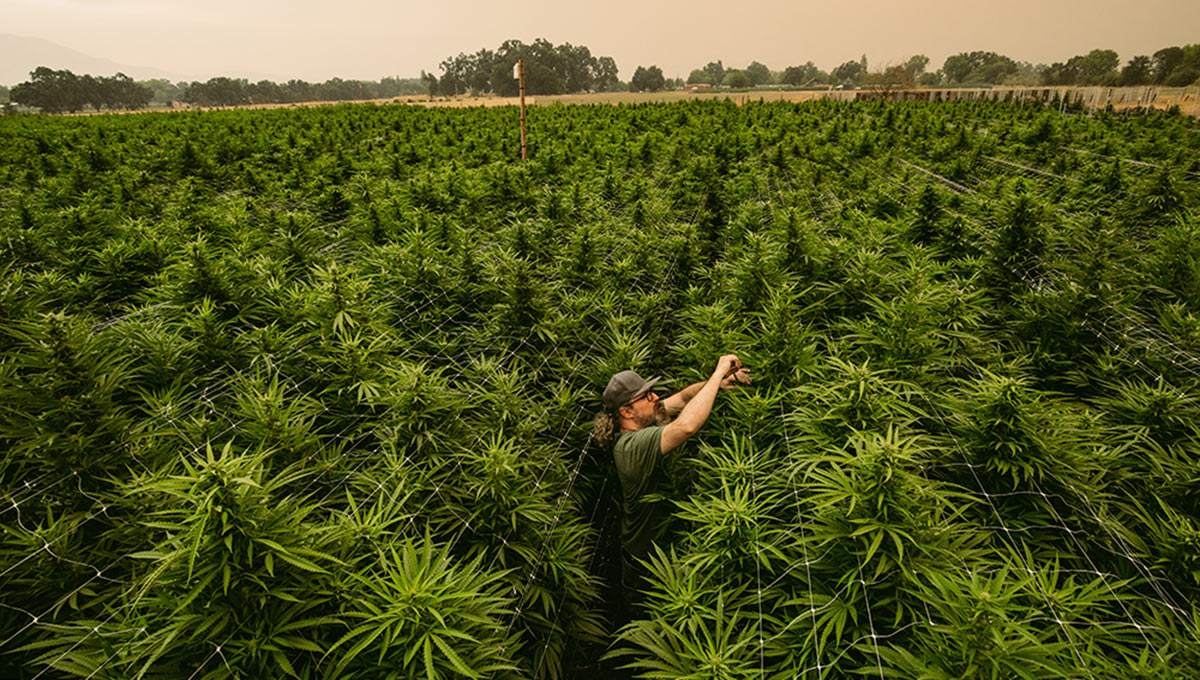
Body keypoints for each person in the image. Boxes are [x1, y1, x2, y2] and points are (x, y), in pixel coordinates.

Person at [594, 354, 750, 615]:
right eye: (646, 396)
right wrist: (717, 371)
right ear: (626, 411)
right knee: (649, 627)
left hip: (657, 550)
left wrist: (717, 382)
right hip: (644, 565)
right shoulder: (632, 447)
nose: (655, 398)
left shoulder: (639, 420)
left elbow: (683, 399)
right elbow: (686, 426)